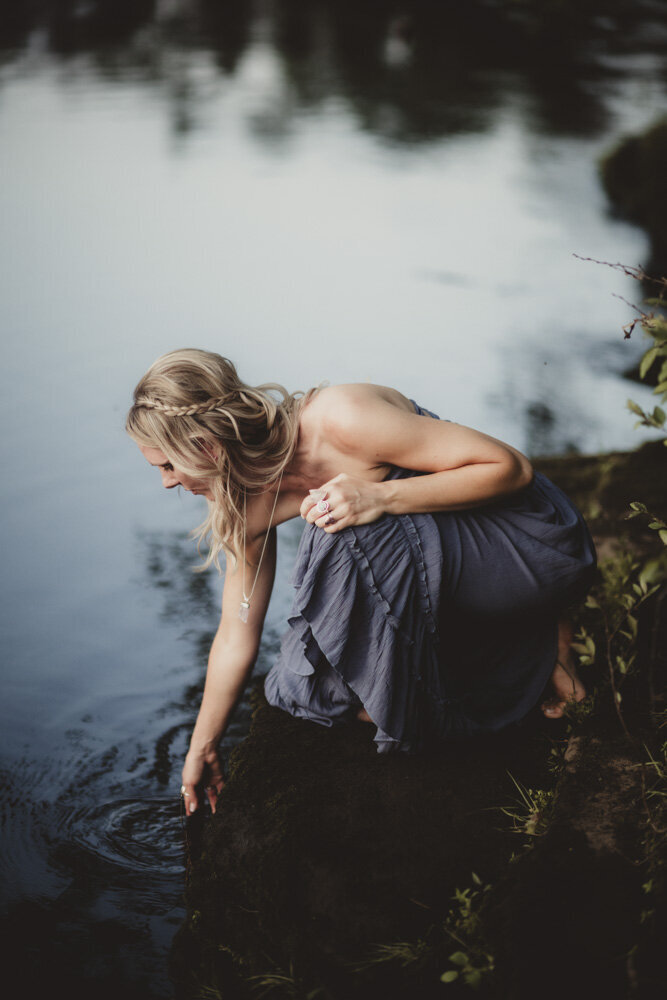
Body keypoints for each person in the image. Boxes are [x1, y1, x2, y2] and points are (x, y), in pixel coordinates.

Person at [126, 349, 596, 815]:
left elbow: (510, 468)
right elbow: (236, 628)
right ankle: (528, 643)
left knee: (336, 534)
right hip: (457, 570)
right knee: (300, 687)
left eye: (168, 466)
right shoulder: (241, 507)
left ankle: (533, 631)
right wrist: (201, 746)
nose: (167, 483)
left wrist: (379, 496)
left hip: (528, 542)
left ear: (206, 445)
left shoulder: (340, 418)